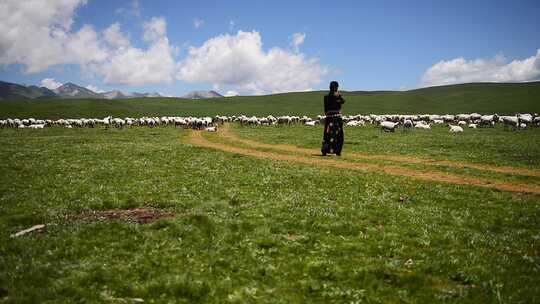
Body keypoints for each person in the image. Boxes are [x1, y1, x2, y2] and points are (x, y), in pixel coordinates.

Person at [321, 81, 345, 156]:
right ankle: (337, 151)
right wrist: (339, 96)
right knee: (338, 134)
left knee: (327, 134)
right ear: (336, 87)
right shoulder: (338, 96)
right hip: (337, 118)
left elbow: (325, 109)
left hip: (329, 118)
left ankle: (325, 149)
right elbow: (343, 101)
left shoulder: (326, 97)